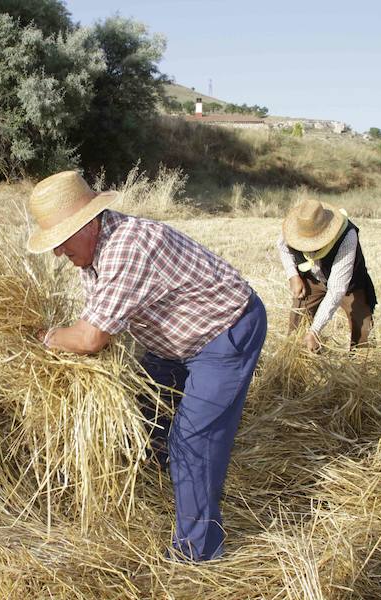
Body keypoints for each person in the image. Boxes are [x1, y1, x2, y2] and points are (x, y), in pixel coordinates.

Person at [26, 171, 267, 562]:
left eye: (61, 240)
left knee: (193, 441)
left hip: (224, 331)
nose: (57, 252)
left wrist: (45, 338)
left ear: (87, 224)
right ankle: (167, 481)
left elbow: (90, 338)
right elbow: (100, 319)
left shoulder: (128, 247)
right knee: (147, 408)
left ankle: (198, 552)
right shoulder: (92, 256)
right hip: (172, 339)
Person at [276, 198, 377, 352]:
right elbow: (282, 246)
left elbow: (336, 290)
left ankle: (360, 360)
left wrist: (315, 330)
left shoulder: (347, 236)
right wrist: (293, 275)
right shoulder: (295, 227)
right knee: (297, 324)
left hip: (349, 284)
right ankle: (301, 357)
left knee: (363, 327)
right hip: (313, 277)